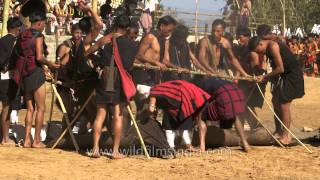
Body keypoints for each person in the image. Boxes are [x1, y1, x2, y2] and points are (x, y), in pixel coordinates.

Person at [85, 15, 138, 159]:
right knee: (118, 115)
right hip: (120, 79)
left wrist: (93, 60)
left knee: (100, 114)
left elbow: (88, 51)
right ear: (127, 28)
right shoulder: (132, 44)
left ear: (115, 25)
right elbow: (130, 65)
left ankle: (95, 149)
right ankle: (115, 151)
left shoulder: (106, 39)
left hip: (105, 77)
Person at [12, 11, 60, 148]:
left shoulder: (22, 34)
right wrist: (50, 64)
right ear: (39, 23)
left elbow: (17, 53)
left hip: (25, 74)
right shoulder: (38, 36)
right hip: (35, 73)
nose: (44, 26)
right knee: (41, 108)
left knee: (30, 108)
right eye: (44, 24)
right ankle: (36, 140)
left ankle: (27, 139)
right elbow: (39, 57)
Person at [249, 36, 305, 145]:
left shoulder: (273, 46)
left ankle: (286, 137)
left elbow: (280, 68)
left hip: (292, 76)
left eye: (258, 51)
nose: (259, 54)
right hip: (284, 76)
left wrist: (265, 77)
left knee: (284, 105)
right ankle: (279, 131)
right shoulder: (267, 49)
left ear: (260, 44)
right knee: (275, 102)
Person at [148, 80, 210, 152]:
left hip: (182, 94)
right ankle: (186, 146)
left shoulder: (153, 92)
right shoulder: (162, 89)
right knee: (182, 125)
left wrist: (150, 109)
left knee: (170, 125)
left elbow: (151, 109)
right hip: (185, 94)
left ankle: (172, 147)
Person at [198, 78, 251, 152]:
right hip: (238, 94)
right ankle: (245, 143)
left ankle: (202, 146)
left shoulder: (202, 84)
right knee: (235, 116)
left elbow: (202, 102)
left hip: (225, 95)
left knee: (201, 114)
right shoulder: (219, 80)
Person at [234, 28, 266, 130]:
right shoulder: (243, 48)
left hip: (251, 82)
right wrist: (236, 78)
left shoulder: (252, 50)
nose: (238, 40)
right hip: (244, 80)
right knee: (244, 105)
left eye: (240, 37)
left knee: (247, 105)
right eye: (238, 37)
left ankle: (254, 127)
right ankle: (248, 127)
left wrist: (254, 79)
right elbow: (240, 64)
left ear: (247, 37)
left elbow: (256, 66)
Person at [134, 15, 177, 85]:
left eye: (171, 31)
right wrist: (156, 62)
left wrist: (175, 67)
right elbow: (139, 55)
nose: (170, 33)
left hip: (154, 77)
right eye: (169, 30)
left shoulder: (164, 41)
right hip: (143, 75)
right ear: (162, 26)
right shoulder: (150, 37)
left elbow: (163, 60)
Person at [0, 17, 22, 145]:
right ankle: (5, 138)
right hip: (7, 77)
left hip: (2, 77)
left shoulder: (1, 40)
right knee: (6, 108)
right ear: (16, 28)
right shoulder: (14, 42)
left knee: (5, 107)